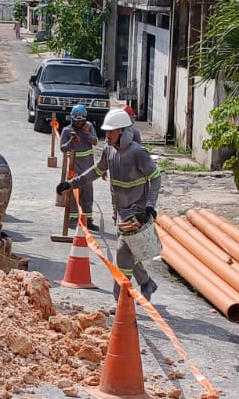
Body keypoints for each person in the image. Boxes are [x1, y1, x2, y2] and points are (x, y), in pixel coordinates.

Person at [57, 108, 163, 300]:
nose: (107, 135)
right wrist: (71, 184)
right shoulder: (109, 151)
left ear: (122, 132)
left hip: (136, 213)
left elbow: (155, 178)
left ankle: (120, 300)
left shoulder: (138, 153)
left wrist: (150, 206)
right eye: (106, 131)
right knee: (130, 252)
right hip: (120, 212)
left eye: (111, 132)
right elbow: (95, 171)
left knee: (122, 254)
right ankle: (146, 283)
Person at [57, 104, 98, 228]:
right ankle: (73, 219)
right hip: (74, 169)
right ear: (72, 119)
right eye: (77, 121)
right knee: (74, 195)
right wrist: (71, 142)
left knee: (88, 195)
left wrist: (86, 133)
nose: (79, 124)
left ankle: (88, 219)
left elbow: (95, 141)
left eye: (82, 121)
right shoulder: (67, 131)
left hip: (88, 169)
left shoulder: (89, 127)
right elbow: (62, 148)